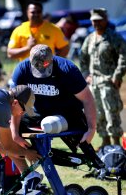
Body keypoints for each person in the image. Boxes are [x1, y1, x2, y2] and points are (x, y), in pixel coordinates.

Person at [9, 44, 97, 172]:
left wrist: (91, 129)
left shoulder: (67, 69)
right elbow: (15, 103)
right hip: (38, 113)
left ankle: (87, 161)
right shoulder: (22, 69)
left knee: (48, 124)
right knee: (6, 127)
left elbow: (87, 99)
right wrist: (15, 134)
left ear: (51, 60)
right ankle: (28, 175)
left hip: (67, 114)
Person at [80, 8, 126, 148]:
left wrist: (117, 75)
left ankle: (116, 143)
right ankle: (105, 142)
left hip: (108, 82)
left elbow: (124, 56)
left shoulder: (114, 37)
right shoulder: (90, 39)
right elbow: (83, 58)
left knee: (111, 112)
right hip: (94, 83)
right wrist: (86, 75)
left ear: (106, 20)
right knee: (98, 113)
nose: (97, 24)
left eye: (99, 20)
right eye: (94, 21)